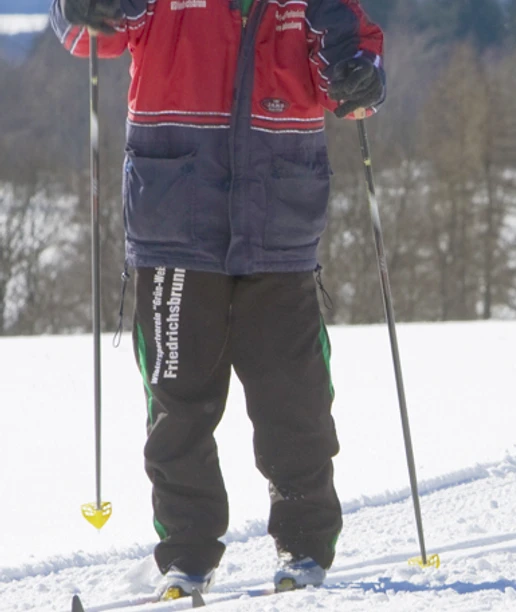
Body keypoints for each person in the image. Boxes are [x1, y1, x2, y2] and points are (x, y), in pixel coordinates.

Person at [49, 0, 385, 599]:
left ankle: (305, 549)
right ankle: (186, 557)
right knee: (178, 406)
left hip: (278, 229)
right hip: (175, 224)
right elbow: (83, 34)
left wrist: (362, 73)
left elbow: (355, 69)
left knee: (295, 402)